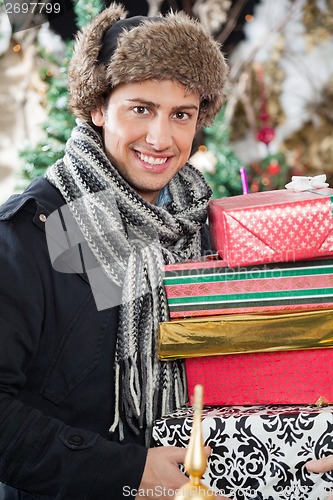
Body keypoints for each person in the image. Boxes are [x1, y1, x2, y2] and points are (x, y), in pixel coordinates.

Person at [0, 3, 230, 499]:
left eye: (181, 115)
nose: (160, 138)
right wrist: (129, 470)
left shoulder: (206, 227)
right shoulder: (34, 232)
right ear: (99, 107)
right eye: (141, 108)